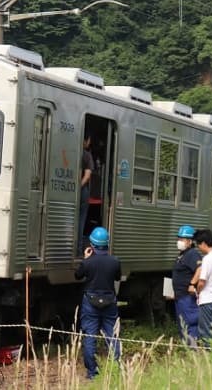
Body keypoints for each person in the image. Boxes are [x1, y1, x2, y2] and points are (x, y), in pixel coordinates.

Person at [75, 226, 121, 378]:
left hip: (90, 302)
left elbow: (78, 275)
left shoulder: (88, 262)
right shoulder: (115, 261)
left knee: (90, 336)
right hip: (109, 302)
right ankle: (115, 369)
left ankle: (92, 372)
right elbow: (117, 278)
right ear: (107, 243)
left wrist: (85, 259)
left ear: (92, 245)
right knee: (112, 335)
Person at [171, 225, 202, 346]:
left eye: (182, 239)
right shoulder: (182, 255)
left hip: (187, 298)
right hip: (180, 296)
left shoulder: (192, 254)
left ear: (189, 241)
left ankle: (193, 351)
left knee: (190, 323)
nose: (179, 241)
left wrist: (192, 284)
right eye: (179, 238)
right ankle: (188, 350)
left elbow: (200, 269)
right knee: (183, 324)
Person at [78, 135, 94, 255]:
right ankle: (78, 250)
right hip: (82, 192)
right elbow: (87, 176)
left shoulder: (72, 152)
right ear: (86, 140)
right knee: (80, 221)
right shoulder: (87, 155)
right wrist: (79, 188)